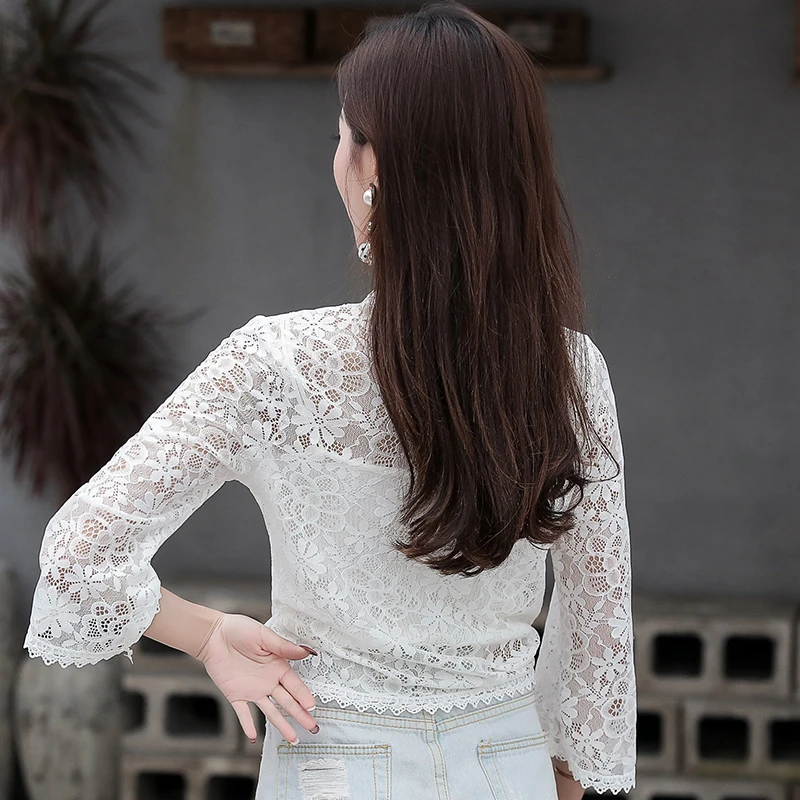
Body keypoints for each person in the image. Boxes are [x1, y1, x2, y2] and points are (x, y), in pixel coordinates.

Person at [23, 2, 636, 798]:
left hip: (333, 766)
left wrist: (207, 636)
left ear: (375, 167)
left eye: (343, 135)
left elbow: (78, 555)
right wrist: (557, 781)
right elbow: (597, 631)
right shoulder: (571, 369)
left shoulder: (274, 363)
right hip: (508, 765)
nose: (337, 157)